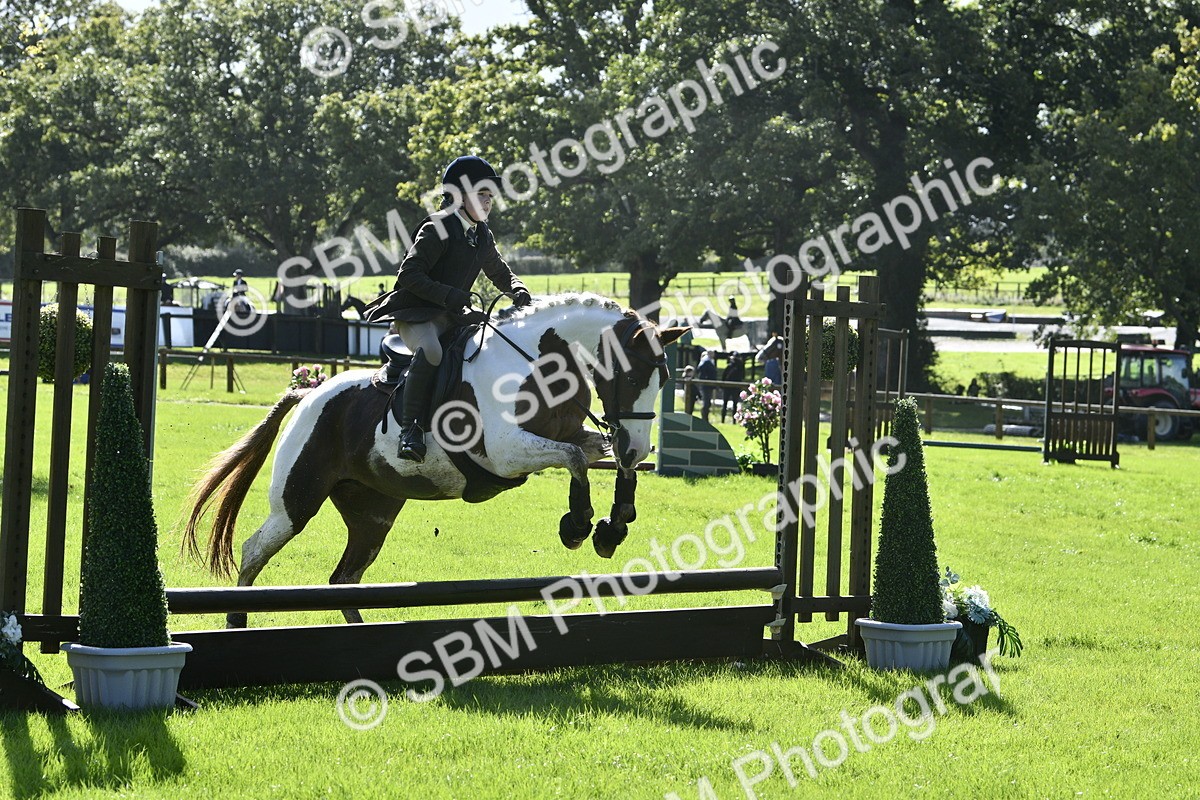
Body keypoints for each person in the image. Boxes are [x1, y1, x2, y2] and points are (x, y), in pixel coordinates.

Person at [364, 155, 531, 463]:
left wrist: (517, 288)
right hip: (417, 314)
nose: (488, 201)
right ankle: (409, 431)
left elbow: (498, 269)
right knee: (432, 352)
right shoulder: (437, 227)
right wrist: (451, 295)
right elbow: (408, 275)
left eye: (490, 196)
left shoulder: (482, 234)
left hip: (451, 315)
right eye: (481, 194)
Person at [696, 349, 718, 421]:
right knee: (706, 402)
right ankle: (704, 417)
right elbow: (701, 370)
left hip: (709, 385)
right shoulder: (706, 362)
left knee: (708, 402)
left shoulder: (708, 361)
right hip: (706, 385)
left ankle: (705, 417)